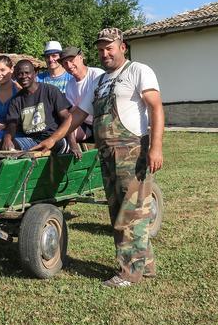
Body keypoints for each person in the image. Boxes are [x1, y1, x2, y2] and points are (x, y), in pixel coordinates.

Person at [32, 28, 164, 288]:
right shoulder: (100, 80)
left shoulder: (138, 70)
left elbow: (156, 107)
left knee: (131, 213)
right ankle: (145, 264)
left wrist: (156, 147)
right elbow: (79, 115)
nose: (104, 53)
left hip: (132, 150)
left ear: (122, 47)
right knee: (118, 210)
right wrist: (54, 139)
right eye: (101, 49)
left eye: (109, 48)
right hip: (107, 153)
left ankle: (128, 273)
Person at [1, 59, 73, 154]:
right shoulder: (16, 100)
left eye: (27, 73)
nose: (23, 77)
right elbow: (11, 125)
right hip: (32, 140)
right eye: (20, 74)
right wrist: (7, 139)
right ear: (15, 76)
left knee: (51, 147)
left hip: (54, 139)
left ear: (34, 73)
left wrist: (73, 144)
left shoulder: (50, 91)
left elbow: (67, 118)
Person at [58, 46, 104, 158]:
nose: (69, 66)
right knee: (61, 132)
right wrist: (72, 142)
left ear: (81, 58)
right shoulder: (70, 85)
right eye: (65, 63)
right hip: (86, 124)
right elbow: (71, 114)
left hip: (104, 122)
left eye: (72, 61)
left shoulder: (97, 75)